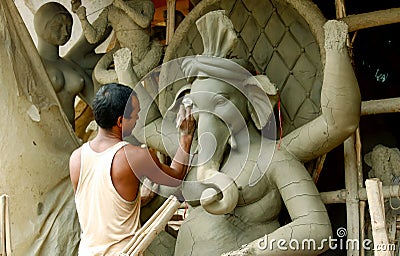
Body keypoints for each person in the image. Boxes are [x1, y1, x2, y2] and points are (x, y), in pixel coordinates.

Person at [69, 83, 195, 255]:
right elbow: (176, 176)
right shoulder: (134, 156)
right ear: (120, 121)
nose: (137, 119)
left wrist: (137, 200)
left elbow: (99, 205)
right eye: (135, 115)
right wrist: (186, 137)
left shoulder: (76, 158)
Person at [34, 2, 98, 127]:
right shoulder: (32, 65)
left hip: (71, 137)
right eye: (57, 26)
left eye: (68, 26)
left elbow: (96, 103)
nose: (65, 32)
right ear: (41, 27)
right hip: (42, 138)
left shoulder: (70, 65)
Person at [72, 0, 163, 87]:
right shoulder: (110, 10)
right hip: (124, 57)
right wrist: (83, 19)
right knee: (98, 77)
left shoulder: (145, 3)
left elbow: (145, 22)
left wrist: (124, 6)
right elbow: (93, 38)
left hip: (145, 54)